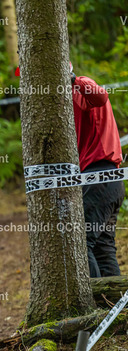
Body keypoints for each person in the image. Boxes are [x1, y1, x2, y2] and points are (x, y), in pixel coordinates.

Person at [71, 65, 124, 277]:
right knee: (103, 248)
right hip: (108, 181)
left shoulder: (80, 87)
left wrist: (73, 79)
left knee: (81, 242)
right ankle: (116, 297)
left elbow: (100, 96)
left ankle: (93, 296)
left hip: (99, 177)